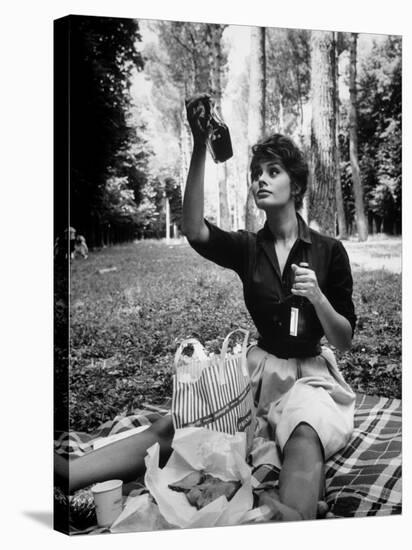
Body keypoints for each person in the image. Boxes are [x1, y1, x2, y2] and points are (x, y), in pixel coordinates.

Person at [55, 94, 356, 522]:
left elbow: (343, 339)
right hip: (257, 369)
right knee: (182, 420)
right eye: (256, 174)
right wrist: (199, 146)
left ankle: (291, 519)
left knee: (304, 433)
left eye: (273, 172)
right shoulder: (249, 248)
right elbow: (194, 229)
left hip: (310, 374)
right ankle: (70, 474)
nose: (260, 181)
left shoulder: (330, 252)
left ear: (298, 186)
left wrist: (319, 299)